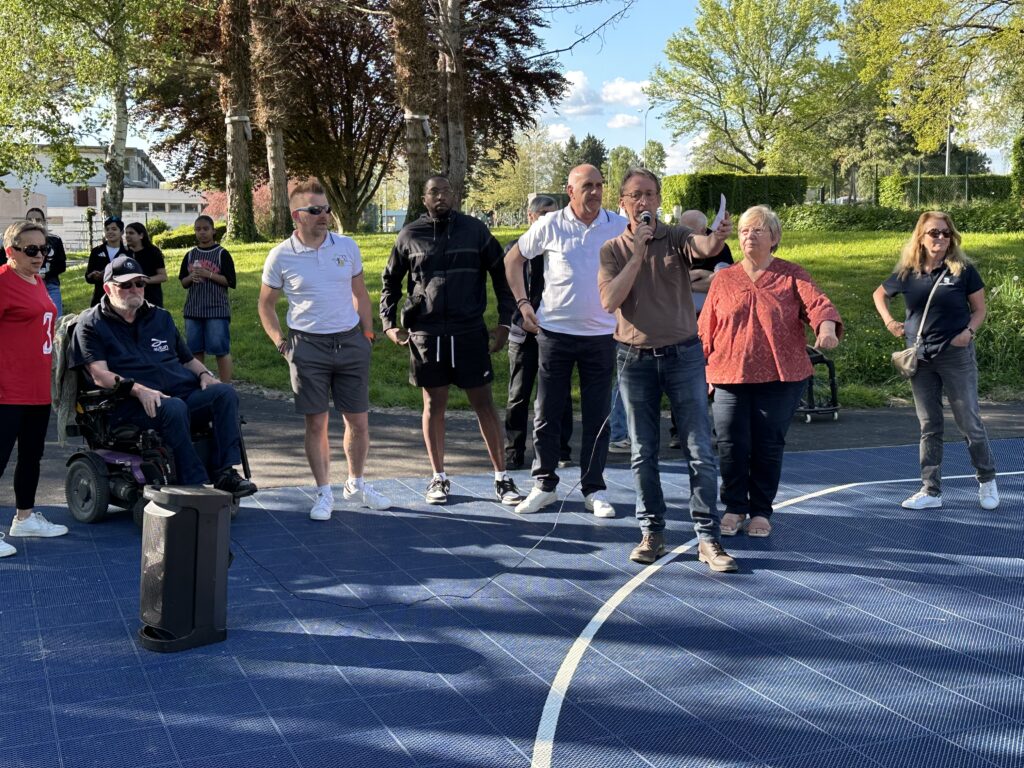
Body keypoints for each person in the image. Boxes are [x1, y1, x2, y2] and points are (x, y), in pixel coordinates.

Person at [598, 168, 737, 571]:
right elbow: (610, 301)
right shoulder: (612, 249)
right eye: (635, 195)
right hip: (634, 360)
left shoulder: (676, 236)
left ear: (659, 201)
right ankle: (652, 532)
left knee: (699, 449)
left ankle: (708, 538)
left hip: (683, 356)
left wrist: (719, 234)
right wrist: (638, 253)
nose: (643, 202)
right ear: (622, 202)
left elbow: (705, 245)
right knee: (643, 452)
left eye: (650, 194)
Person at [380, 175, 524, 507]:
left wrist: (504, 323)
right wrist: (388, 324)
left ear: (454, 195)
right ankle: (438, 478)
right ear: (423, 197)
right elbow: (390, 282)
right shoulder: (409, 234)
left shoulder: (475, 230)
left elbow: (502, 278)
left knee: (484, 404)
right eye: (434, 192)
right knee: (433, 405)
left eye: (446, 191)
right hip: (427, 336)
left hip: (469, 332)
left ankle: (502, 478)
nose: (441, 196)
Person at [699, 205, 842, 538]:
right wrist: (696, 369)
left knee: (767, 445)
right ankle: (734, 507)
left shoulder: (793, 274)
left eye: (758, 230)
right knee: (731, 445)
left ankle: (761, 510)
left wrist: (828, 328)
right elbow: (706, 328)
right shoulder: (723, 278)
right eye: (745, 230)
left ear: (774, 238)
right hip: (728, 374)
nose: (749, 235)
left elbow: (818, 305)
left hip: (780, 377)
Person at [259, 181, 390, 520]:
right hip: (306, 347)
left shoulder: (347, 246)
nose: (324, 216)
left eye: (327, 209)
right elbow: (266, 305)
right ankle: (323, 493)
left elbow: (360, 293)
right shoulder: (280, 255)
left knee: (358, 421)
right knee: (316, 424)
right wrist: (281, 344)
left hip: (350, 343)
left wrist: (368, 333)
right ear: (296, 216)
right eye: (315, 211)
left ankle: (356, 484)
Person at [71, 256, 255, 496]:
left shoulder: (160, 317)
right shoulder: (90, 324)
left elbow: (188, 360)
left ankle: (225, 473)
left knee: (224, 393)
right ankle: (192, 483)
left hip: (180, 393)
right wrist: (139, 389)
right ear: (107, 288)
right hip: (129, 403)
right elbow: (99, 375)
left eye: (139, 283)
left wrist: (205, 374)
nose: (134, 289)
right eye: (125, 285)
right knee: (174, 408)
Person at [505, 164, 625, 518]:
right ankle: (544, 485)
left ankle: (594, 488)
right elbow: (512, 260)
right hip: (554, 333)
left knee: (598, 416)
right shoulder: (550, 224)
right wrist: (524, 303)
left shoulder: (618, 225)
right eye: (587, 185)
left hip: (602, 335)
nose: (595, 191)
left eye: (600, 185)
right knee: (547, 413)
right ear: (570, 191)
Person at [872, 211, 997, 510]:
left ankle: (987, 479)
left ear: (952, 237)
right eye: (933, 232)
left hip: (956, 355)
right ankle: (931, 490)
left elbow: (979, 309)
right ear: (921, 236)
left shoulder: (963, 271)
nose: (940, 238)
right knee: (929, 425)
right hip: (921, 358)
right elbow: (879, 294)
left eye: (945, 233)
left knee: (969, 421)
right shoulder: (907, 272)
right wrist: (890, 322)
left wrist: (968, 332)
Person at [0, 222, 67, 558]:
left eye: (44, 249)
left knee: (31, 456)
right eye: (31, 250)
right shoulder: (2, 281)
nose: (39, 256)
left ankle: (24, 517)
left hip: (37, 386)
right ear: (11, 250)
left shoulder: (38, 280)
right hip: (6, 388)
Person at [504, 195, 574, 471]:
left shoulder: (563, 248)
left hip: (557, 331)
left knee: (560, 394)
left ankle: (561, 450)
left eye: (554, 213)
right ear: (531, 216)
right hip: (523, 332)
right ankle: (514, 451)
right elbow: (507, 293)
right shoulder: (515, 250)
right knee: (518, 394)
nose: (549, 219)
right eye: (544, 213)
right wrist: (522, 317)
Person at [665, 209, 735, 449]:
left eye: (689, 230)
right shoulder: (673, 245)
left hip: (713, 321)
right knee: (680, 378)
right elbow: (669, 282)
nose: (683, 234)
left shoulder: (720, 248)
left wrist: (698, 276)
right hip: (681, 321)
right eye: (680, 228)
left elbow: (724, 280)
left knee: (714, 377)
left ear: (704, 231)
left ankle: (719, 430)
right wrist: (700, 278)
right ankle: (678, 432)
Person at [179, 215, 236, 382]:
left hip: (216, 310)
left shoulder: (222, 254)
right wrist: (191, 277)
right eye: (198, 229)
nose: (202, 233)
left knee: (221, 350)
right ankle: (199, 384)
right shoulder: (190, 255)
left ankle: (226, 386)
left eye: (205, 229)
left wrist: (209, 274)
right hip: (193, 310)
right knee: (195, 350)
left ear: (213, 231)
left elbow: (230, 281)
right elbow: (183, 282)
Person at [26, 208, 67, 317]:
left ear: (44, 222)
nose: (34, 222)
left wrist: (44, 275)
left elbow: (61, 266)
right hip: (27, 285)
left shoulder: (55, 240)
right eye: (30, 219)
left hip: (50, 284)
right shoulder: (20, 242)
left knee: (56, 319)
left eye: (38, 219)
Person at [85, 217, 129, 306]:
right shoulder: (96, 251)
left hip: (122, 297)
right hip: (100, 298)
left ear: (121, 232)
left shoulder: (128, 252)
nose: (110, 232)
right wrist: (93, 276)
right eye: (107, 229)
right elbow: (88, 277)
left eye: (114, 229)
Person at [124, 222, 168, 307]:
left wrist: (145, 280)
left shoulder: (153, 252)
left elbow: (163, 276)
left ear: (141, 235)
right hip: (129, 297)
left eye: (131, 233)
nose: (127, 236)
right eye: (126, 233)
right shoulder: (124, 252)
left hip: (151, 298)